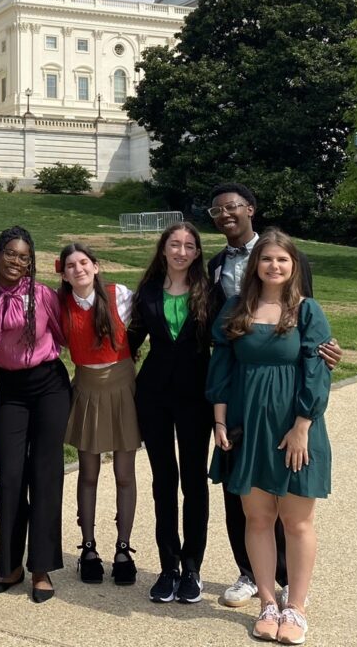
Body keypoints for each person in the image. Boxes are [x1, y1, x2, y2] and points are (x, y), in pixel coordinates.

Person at [206, 183, 340, 608]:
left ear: (293, 265)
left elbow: (315, 361)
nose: (274, 265)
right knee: (255, 514)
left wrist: (303, 424)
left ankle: (294, 604)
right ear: (256, 266)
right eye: (267, 258)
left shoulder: (306, 309)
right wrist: (220, 420)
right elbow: (221, 366)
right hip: (248, 421)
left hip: (292, 424)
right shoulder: (233, 306)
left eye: (282, 259)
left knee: (296, 518)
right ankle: (262, 592)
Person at [0, 226, 70, 603]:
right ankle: (10, 565)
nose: (16, 261)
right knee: (10, 477)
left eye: (24, 256)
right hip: (10, 391)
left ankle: (41, 568)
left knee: (45, 475)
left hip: (49, 387)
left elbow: (64, 334)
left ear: (32, 262)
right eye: (11, 253)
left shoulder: (41, 295)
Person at [128, 222, 211, 605]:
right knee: (164, 481)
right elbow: (129, 343)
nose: (181, 251)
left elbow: (229, 341)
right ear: (163, 249)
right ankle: (168, 565)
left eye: (189, 245)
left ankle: (192, 566)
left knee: (193, 481)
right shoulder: (146, 293)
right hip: (155, 396)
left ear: (197, 253)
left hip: (197, 395)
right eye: (174, 244)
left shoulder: (210, 292)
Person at [58, 243, 140, 587]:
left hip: (122, 387)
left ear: (95, 265)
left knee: (124, 473)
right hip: (87, 388)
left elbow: (154, 310)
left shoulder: (118, 294)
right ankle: (88, 548)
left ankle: (123, 549)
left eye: (84, 262)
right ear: (62, 272)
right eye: (71, 265)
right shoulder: (59, 305)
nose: (78, 269)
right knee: (88, 472)